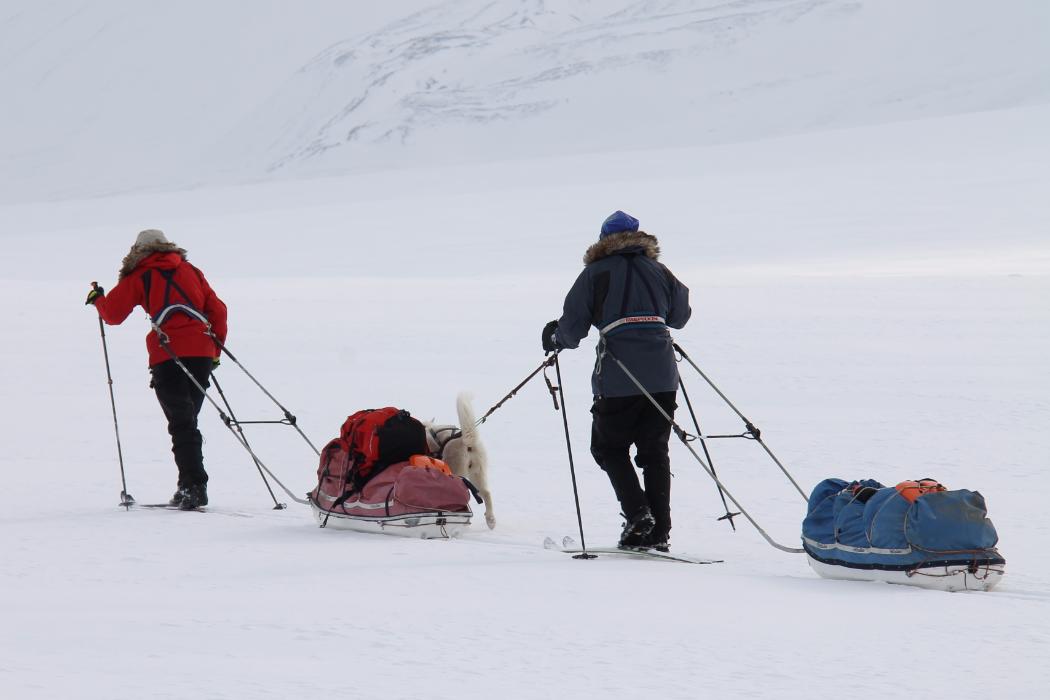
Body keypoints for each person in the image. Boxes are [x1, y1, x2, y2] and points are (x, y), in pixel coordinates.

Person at [542, 211, 690, 550]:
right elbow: (680, 317)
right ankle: (659, 532)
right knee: (654, 452)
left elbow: (573, 327)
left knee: (608, 447)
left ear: (603, 240)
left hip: (619, 375)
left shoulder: (595, 273)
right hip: (663, 374)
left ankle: (638, 516)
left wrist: (555, 339)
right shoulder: (661, 271)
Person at [86, 230, 227, 510]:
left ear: (138, 250)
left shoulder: (141, 274)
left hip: (167, 352)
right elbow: (219, 310)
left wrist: (97, 300)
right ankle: (189, 485)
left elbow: (113, 315)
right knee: (187, 422)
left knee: (181, 422)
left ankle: (194, 487)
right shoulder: (191, 270)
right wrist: (215, 352)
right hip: (201, 352)